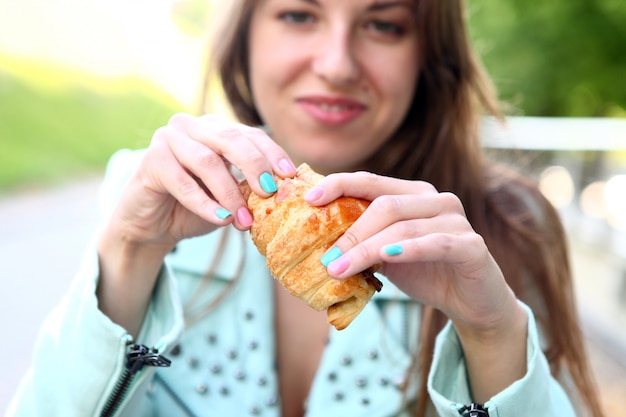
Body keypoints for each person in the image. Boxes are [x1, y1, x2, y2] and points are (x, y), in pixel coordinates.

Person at [7, 0, 604, 416]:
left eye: (384, 24)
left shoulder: (506, 226)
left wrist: (492, 333)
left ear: (430, 53)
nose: (337, 63)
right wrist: (132, 249)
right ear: (245, 35)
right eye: (298, 14)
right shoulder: (143, 195)